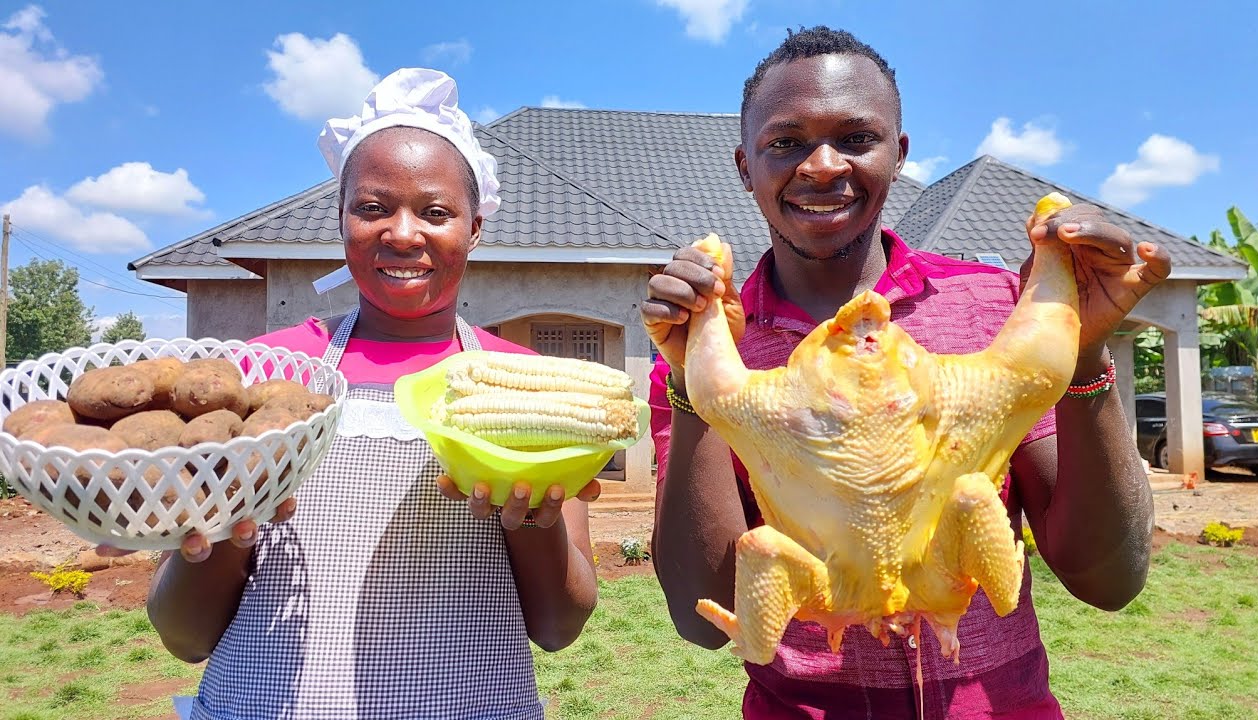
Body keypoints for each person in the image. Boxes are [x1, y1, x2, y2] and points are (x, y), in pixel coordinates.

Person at [641, 27, 1170, 719]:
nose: (822, 165)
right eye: (786, 142)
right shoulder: (710, 352)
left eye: (857, 138)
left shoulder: (992, 314)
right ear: (746, 166)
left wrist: (1084, 355)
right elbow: (698, 616)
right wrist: (690, 383)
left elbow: (1108, 579)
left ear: (899, 154)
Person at [131, 68, 599, 719]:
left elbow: (559, 628)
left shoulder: (530, 382)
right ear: (342, 216)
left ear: (476, 227)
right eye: (373, 207)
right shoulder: (263, 376)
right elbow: (182, 636)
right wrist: (230, 525)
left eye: (435, 212)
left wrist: (534, 523)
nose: (402, 233)